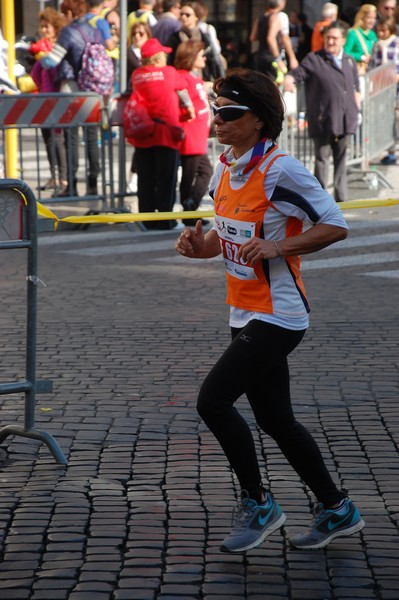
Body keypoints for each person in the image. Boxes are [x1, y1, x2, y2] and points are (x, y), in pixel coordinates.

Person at [175, 67, 365, 554]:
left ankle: (259, 504)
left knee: (212, 402)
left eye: (231, 113)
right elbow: (227, 237)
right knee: (276, 420)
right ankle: (337, 507)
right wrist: (202, 247)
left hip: (279, 315)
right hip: (243, 310)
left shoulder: (282, 169)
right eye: (217, 111)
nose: (219, 120)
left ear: (259, 121)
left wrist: (280, 247)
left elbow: (335, 225)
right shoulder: (227, 166)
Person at [41, 0, 116, 197]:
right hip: (93, 88)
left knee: (71, 136)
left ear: (68, 12)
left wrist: (39, 57)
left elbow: (52, 61)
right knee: (92, 137)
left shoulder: (68, 31)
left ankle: (72, 185)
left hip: (73, 88)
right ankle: (93, 185)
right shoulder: (94, 29)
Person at [284, 20, 361, 203]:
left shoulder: (349, 60)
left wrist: (357, 111)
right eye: (328, 38)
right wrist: (288, 78)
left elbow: (356, 87)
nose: (331, 41)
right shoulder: (314, 58)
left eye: (335, 38)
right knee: (322, 159)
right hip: (323, 118)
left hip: (345, 118)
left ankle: (342, 199)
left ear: (343, 40)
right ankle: (320, 200)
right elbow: (298, 73)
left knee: (341, 160)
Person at [128, 37, 193, 230]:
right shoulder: (170, 72)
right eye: (163, 54)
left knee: (145, 179)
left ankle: (147, 220)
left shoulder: (136, 74)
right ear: (157, 58)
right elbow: (183, 86)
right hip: (166, 133)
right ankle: (166, 220)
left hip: (143, 132)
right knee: (166, 179)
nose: (166, 57)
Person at [30, 7, 68, 197]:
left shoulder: (57, 48)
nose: (44, 30)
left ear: (55, 28)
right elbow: (36, 73)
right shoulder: (41, 49)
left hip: (57, 99)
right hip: (45, 98)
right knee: (47, 138)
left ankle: (63, 176)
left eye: (47, 27)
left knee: (57, 139)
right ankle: (54, 175)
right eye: (42, 27)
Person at [174, 40, 212, 225]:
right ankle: (189, 209)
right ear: (191, 56)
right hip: (190, 133)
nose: (204, 57)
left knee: (203, 171)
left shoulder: (192, 77)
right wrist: (188, 105)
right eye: (201, 54)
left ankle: (191, 207)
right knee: (193, 174)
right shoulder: (182, 76)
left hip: (198, 133)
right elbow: (179, 90)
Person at [166, 1, 225, 81]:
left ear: (196, 17)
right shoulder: (174, 38)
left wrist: (220, 80)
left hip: (203, 80)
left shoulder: (204, 37)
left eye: (187, 15)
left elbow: (214, 60)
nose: (183, 17)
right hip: (181, 81)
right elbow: (169, 61)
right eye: (181, 14)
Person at [370, 16, 399, 164]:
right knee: (384, 119)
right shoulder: (376, 45)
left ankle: (394, 149)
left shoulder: (397, 43)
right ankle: (388, 150)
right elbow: (373, 65)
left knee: (395, 119)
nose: (380, 33)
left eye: (383, 30)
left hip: (395, 88)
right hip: (381, 88)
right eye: (378, 30)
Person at [249, 0, 298, 84]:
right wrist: (279, 59)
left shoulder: (261, 17)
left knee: (262, 86)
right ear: (280, 4)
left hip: (261, 56)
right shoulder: (276, 17)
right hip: (272, 59)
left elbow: (253, 37)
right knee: (273, 88)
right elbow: (271, 38)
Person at [344, 4, 377, 75]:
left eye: (374, 18)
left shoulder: (373, 35)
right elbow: (345, 53)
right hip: (357, 71)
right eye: (369, 18)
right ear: (362, 17)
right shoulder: (353, 33)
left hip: (371, 71)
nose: (372, 21)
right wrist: (361, 57)